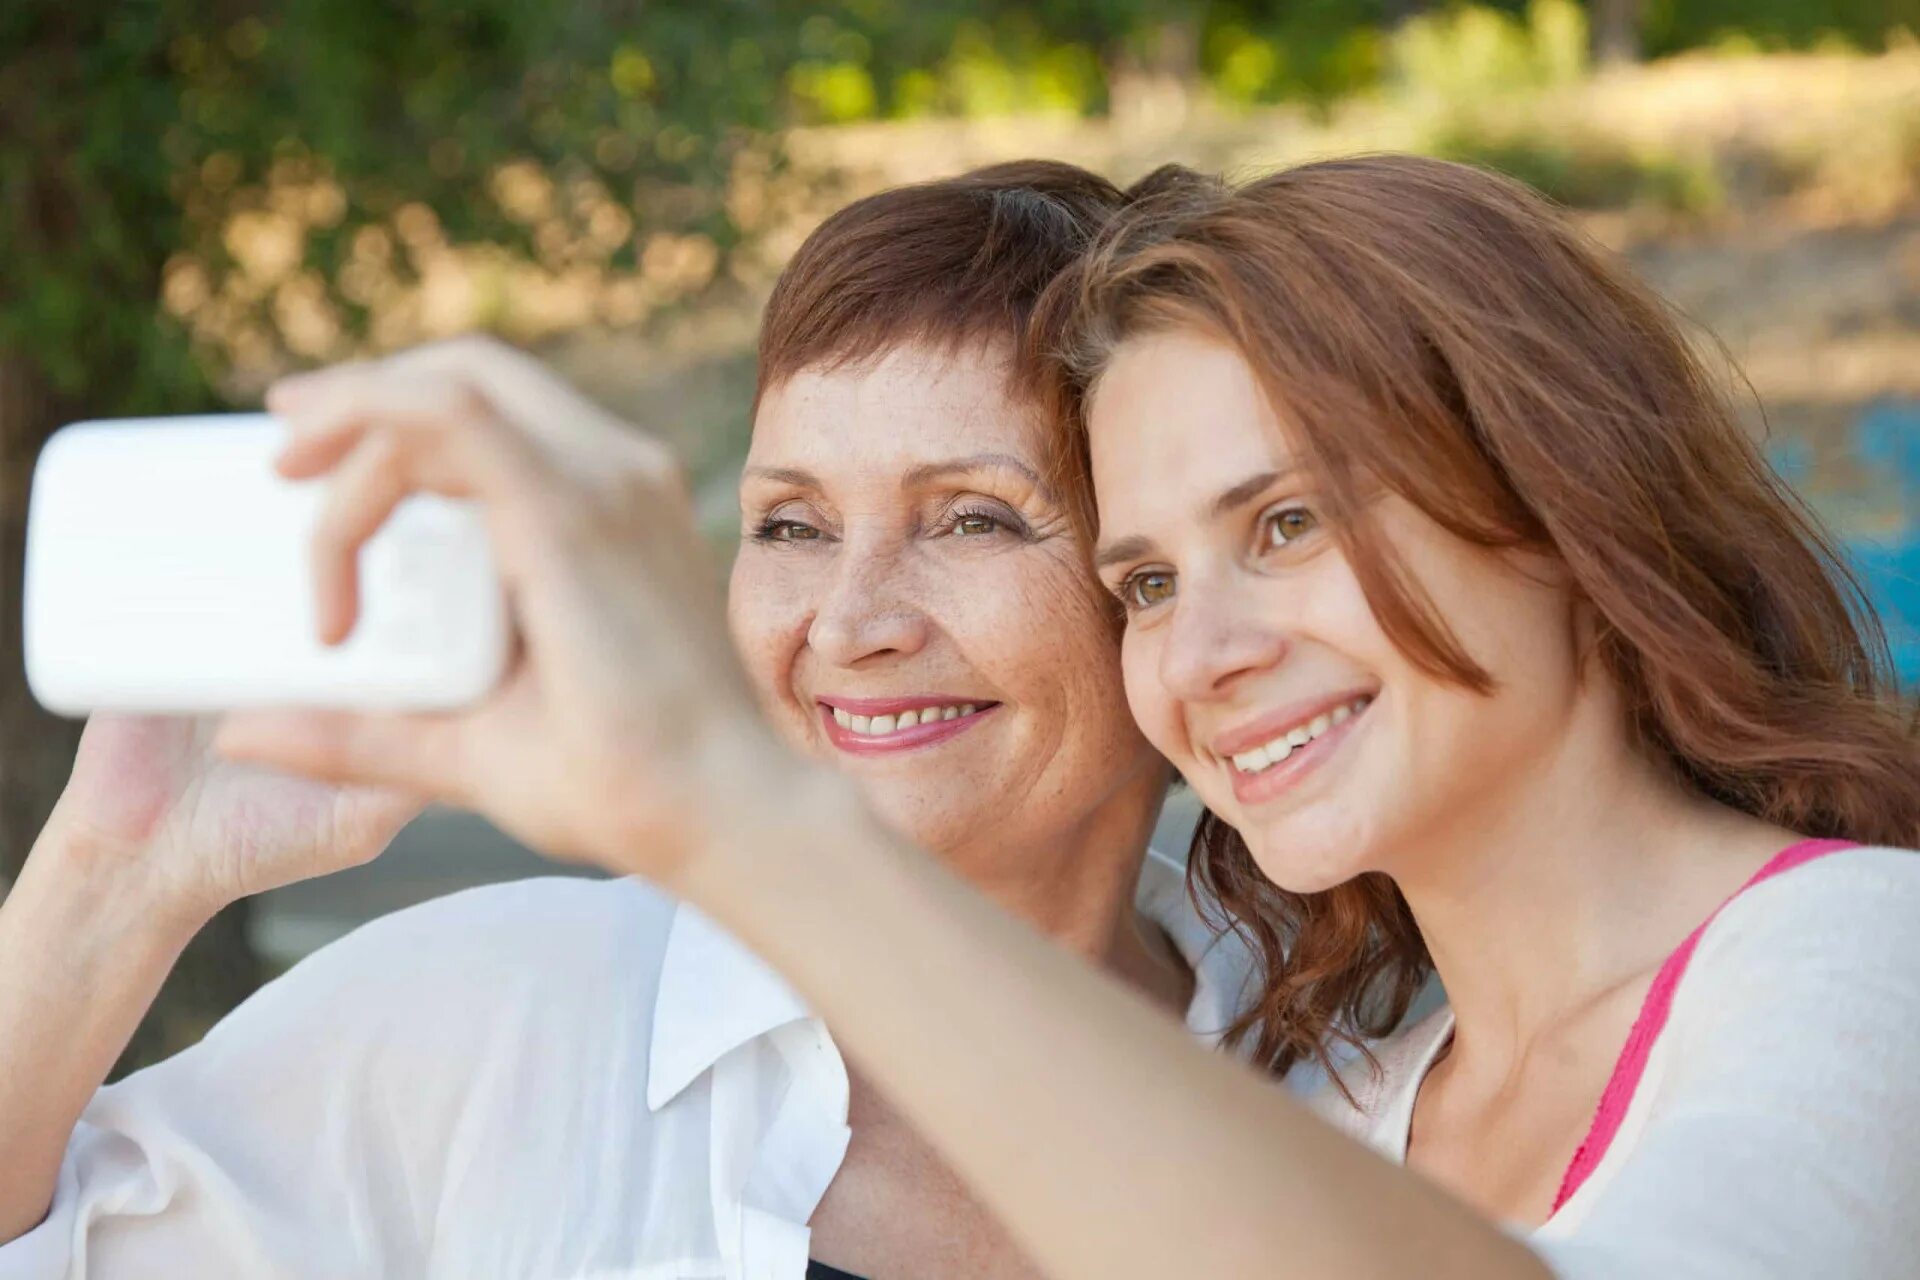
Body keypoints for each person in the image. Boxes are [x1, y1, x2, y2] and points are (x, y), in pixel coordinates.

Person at [200, 152, 1920, 1280]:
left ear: (1561, 504)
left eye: (1289, 522)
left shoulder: (1865, 956)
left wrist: (726, 807)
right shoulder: (1343, 1083)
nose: (1210, 650)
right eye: (1151, 580)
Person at [0, 162, 1273, 1280]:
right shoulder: (497, 1010)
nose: (848, 622)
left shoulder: (1350, 1072)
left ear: (1146, 580)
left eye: (972, 517)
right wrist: (121, 864)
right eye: (792, 524)